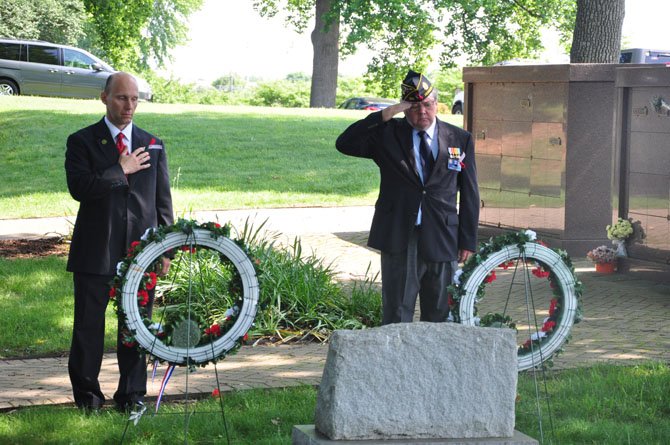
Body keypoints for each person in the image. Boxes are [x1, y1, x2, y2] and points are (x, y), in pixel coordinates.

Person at [65, 72, 174, 412]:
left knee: (135, 327)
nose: (129, 106)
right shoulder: (82, 141)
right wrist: (120, 169)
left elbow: (162, 201)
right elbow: (79, 188)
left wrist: (165, 246)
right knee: (88, 328)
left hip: (140, 253)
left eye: (134, 99)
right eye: (121, 98)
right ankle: (88, 399)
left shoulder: (152, 143)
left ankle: (131, 396)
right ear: (104, 98)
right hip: (95, 251)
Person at [336, 70, 479, 325]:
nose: (421, 112)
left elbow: (469, 192)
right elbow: (345, 143)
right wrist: (386, 114)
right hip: (400, 235)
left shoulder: (459, 138)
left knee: (440, 315)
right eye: (413, 107)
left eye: (427, 105)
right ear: (403, 109)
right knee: (397, 314)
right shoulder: (388, 134)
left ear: (436, 104)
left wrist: (467, 239)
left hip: (443, 236)